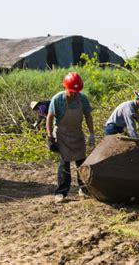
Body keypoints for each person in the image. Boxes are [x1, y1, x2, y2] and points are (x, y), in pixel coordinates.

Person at [46, 72, 95, 203]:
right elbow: (49, 118)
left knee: (82, 163)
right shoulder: (57, 99)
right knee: (64, 164)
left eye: (76, 91)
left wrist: (92, 133)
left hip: (77, 134)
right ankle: (61, 193)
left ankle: (83, 189)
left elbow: (88, 116)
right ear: (65, 87)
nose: (74, 94)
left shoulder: (82, 99)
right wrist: (50, 136)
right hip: (61, 135)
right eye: (72, 91)